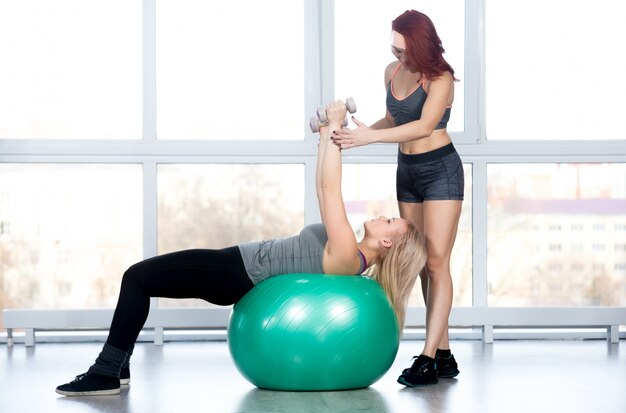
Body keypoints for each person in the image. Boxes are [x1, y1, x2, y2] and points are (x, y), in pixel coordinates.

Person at [55, 100, 427, 396]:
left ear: (386, 242)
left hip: (237, 273)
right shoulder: (349, 253)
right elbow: (321, 185)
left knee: (136, 278)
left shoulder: (349, 253)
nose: (384, 215)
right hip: (235, 266)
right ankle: (117, 369)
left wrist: (334, 127)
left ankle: (106, 371)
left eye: (391, 221)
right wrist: (327, 133)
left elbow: (331, 190)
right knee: (140, 279)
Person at [330, 10, 463, 387]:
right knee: (421, 262)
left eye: (405, 51)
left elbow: (423, 125)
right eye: (394, 49)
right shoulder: (392, 71)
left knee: (437, 263)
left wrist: (369, 139)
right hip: (408, 170)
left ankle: (426, 357)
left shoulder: (441, 79)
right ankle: (445, 354)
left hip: (441, 171)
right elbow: (394, 121)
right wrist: (356, 137)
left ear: (421, 46)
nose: (399, 57)